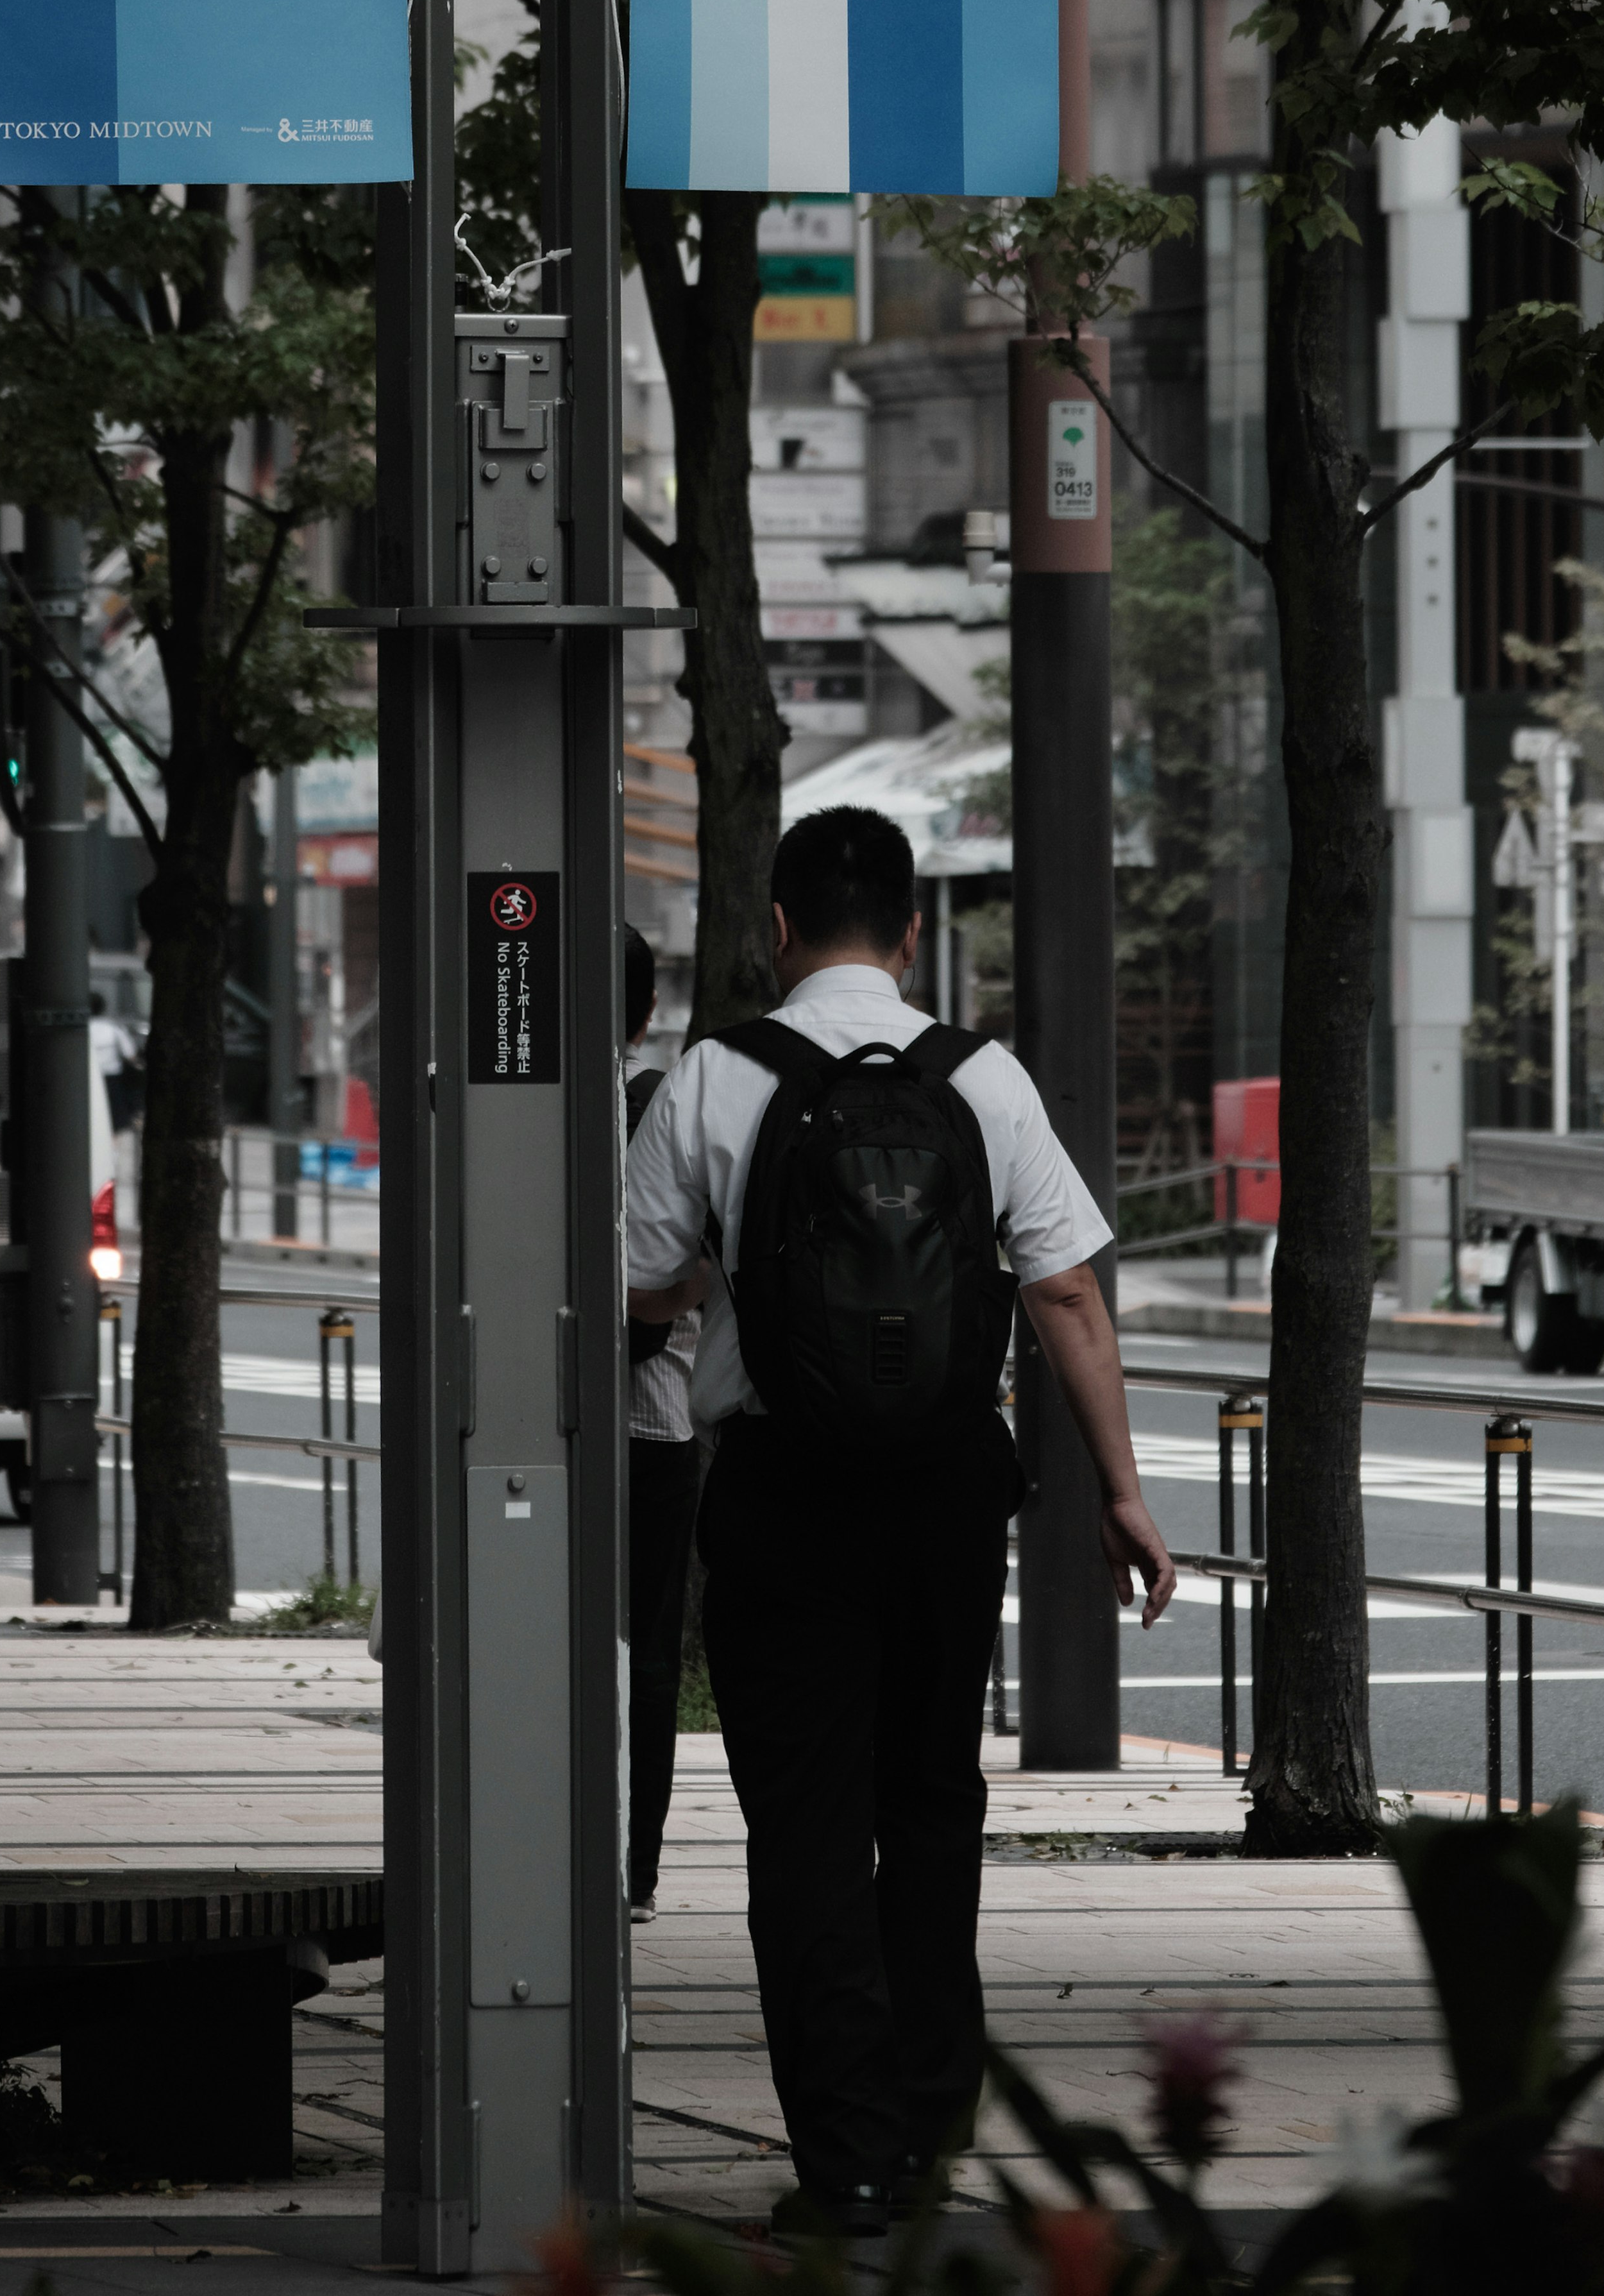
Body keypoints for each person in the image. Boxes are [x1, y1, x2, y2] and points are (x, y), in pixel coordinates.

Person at [625, 803, 1174, 2238]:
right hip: (945, 1490)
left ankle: (849, 2162)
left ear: (779, 928)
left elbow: (633, 1284)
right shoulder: (982, 1080)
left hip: (779, 1493)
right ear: (914, 931)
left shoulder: (713, 1078)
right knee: (931, 1809)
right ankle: (932, 2147)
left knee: (802, 1830)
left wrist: (717, 1291)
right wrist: (1119, 1490)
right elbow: (1063, 1292)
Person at [621, 921, 702, 1923]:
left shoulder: (511, 1111)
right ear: (647, 1008)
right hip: (656, 1427)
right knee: (646, 1650)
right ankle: (636, 1866)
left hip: (530, 1426)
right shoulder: (667, 1103)